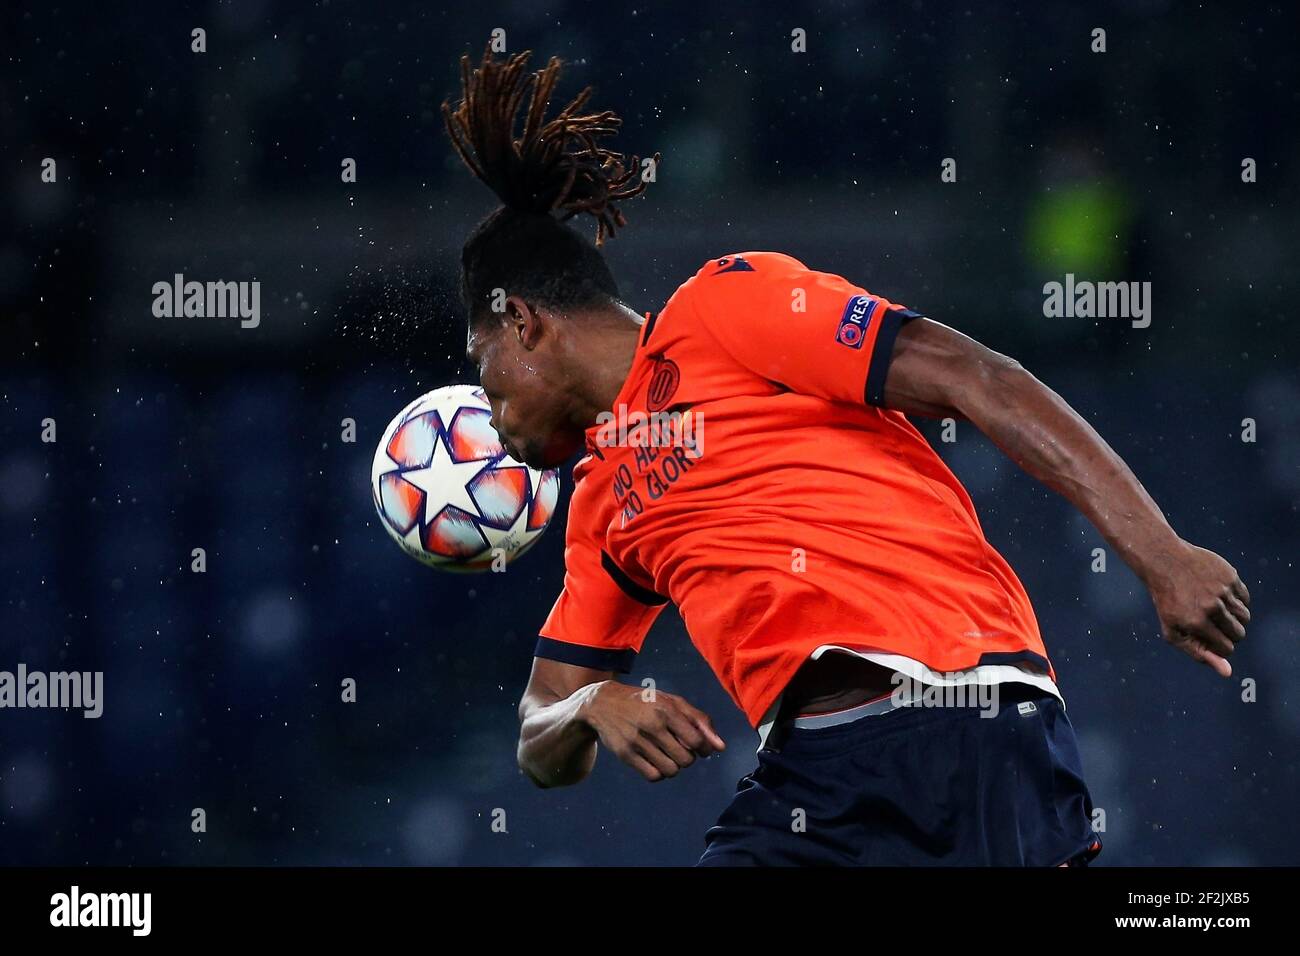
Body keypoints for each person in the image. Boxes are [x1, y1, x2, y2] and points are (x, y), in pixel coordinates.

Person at [441, 49, 1251, 866]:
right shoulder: (603, 500)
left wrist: (1160, 554)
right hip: (816, 782)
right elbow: (536, 728)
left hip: (965, 720)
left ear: (523, 322)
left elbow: (977, 377)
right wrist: (589, 703)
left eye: (482, 364)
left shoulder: (724, 309)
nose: (489, 406)